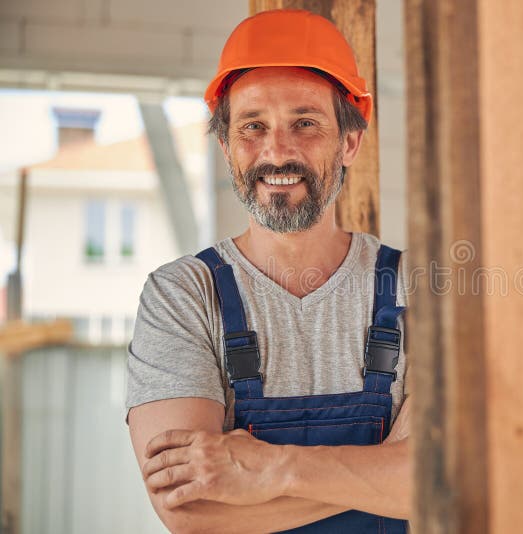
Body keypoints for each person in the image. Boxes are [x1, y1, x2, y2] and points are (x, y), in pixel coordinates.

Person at [125, 9, 411, 533]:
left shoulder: (416, 289)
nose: (277, 152)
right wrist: (387, 474)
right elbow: (190, 512)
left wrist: (273, 469)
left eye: (305, 123)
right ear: (225, 145)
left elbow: (444, 473)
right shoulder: (183, 296)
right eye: (252, 127)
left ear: (350, 142)